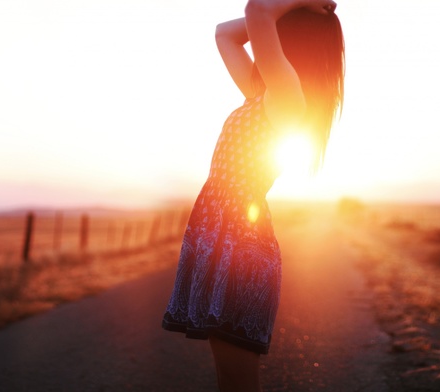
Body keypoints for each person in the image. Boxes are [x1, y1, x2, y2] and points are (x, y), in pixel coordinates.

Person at [161, 0, 344, 390]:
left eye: (281, 31)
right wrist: (291, 13)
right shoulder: (264, 95)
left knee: (237, 382)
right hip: (222, 240)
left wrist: (299, 4)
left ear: (291, 40)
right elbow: (225, 34)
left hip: (240, 247)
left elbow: (257, 9)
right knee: (230, 381)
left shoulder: (288, 95)